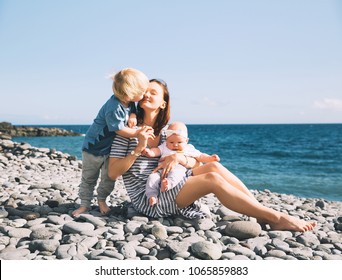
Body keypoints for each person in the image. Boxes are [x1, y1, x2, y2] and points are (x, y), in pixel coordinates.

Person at [108, 79, 317, 232]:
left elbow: (194, 158)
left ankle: (261, 213)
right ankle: (276, 217)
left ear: (163, 103)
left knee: (214, 167)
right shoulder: (127, 131)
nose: (147, 94)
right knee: (212, 179)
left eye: (153, 92)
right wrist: (138, 148)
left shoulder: (168, 133)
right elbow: (113, 173)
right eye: (145, 90)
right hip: (150, 197)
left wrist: (179, 158)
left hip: (172, 183)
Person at [72, 68, 149, 217]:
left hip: (109, 149)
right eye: (142, 91)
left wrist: (133, 115)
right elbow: (119, 130)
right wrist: (138, 133)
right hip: (93, 148)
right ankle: (84, 204)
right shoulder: (114, 107)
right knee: (89, 178)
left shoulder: (129, 101)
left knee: (108, 178)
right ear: (129, 93)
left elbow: (133, 109)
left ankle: (102, 200)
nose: (145, 94)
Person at [143, 121, 220, 206]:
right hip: (161, 171)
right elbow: (157, 151)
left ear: (186, 141)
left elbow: (200, 156)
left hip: (178, 169)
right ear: (166, 140)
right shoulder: (164, 146)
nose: (175, 145)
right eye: (171, 142)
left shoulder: (188, 148)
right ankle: (152, 196)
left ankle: (167, 184)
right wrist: (150, 152)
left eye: (179, 142)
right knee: (152, 177)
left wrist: (210, 158)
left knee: (177, 174)